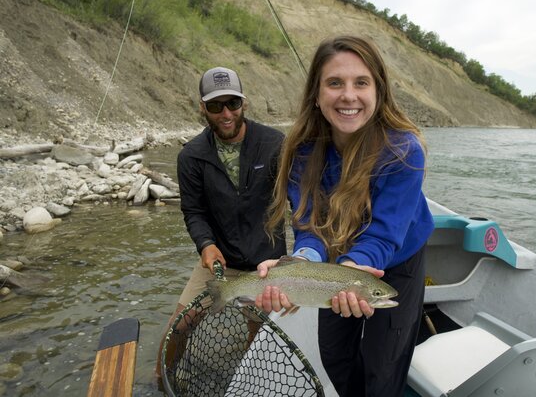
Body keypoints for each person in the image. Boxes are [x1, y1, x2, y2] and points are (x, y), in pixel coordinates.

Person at [255, 36, 435, 396]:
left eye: (361, 83)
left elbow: (383, 237)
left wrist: (355, 271)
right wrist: (299, 264)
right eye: (335, 83)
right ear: (317, 95)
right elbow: (309, 231)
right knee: (334, 355)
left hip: (395, 262)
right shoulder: (301, 153)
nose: (348, 96)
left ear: (379, 91)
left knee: (384, 370)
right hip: (335, 263)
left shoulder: (405, 152)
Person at [156, 66, 287, 382]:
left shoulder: (276, 144)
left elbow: (301, 199)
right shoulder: (191, 156)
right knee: (180, 325)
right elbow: (194, 212)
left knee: (261, 331)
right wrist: (206, 244)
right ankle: (161, 380)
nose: (226, 113)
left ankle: (249, 380)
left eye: (233, 103)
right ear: (202, 107)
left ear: (244, 103)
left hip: (267, 263)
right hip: (219, 262)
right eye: (215, 106)